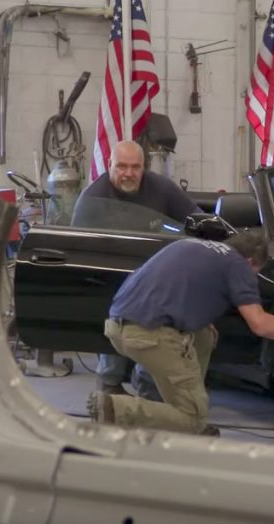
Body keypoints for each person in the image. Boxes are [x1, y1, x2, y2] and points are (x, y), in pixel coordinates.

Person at [87, 231, 274, 436]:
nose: (252, 278)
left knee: (205, 335)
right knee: (194, 419)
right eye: (255, 273)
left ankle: (158, 396)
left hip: (116, 327)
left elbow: (170, 285)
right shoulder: (238, 264)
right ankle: (114, 407)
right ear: (251, 262)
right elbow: (260, 324)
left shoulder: (188, 244)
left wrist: (199, 319)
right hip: (150, 335)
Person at [73, 140, 200, 397]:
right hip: (111, 280)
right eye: (121, 166)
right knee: (119, 316)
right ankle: (108, 383)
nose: (129, 173)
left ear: (144, 167)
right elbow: (77, 245)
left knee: (158, 331)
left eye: (135, 167)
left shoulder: (162, 188)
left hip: (157, 278)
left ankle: (148, 386)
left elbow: (196, 217)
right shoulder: (92, 199)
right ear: (109, 165)